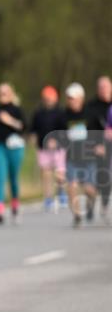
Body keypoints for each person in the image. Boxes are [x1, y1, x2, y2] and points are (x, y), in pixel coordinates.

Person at [62, 83, 105, 228]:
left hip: (89, 157)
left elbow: (102, 131)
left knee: (89, 189)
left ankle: (91, 205)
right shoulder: (64, 115)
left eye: (73, 98)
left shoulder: (91, 114)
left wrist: (100, 145)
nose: (71, 101)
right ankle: (77, 216)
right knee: (72, 186)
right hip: (72, 157)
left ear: (81, 98)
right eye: (69, 98)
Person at [0, 83, 26, 225]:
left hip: (15, 147)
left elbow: (23, 127)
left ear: (11, 94)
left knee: (13, 177)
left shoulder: (16, 110)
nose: (2, 96)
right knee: (0, 177)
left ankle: (15, 202)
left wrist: (9, 121)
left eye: (5, 93)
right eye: (0, 93)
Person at [29, 86, 68, 213]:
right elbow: (33, 129)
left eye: (50, 98)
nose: (48, 101)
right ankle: (48, 197)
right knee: (45, 173)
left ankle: (61, 193)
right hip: (43, 147)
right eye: (46, 98)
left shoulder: (60, 113)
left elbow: (65, 130)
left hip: (58, 148)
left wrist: (56, 140)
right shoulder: (38, 113)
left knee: (59, 173)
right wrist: (33, 138)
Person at [85, 75, 111, 223]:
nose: (104, 90)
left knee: (107, 177)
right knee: (91, 179)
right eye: (101, 87)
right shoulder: (91, 107)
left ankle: (105, 205)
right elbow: (87, 129)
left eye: (106, 86)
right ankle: (90, 205)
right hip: (95, 147)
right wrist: (95, 146)